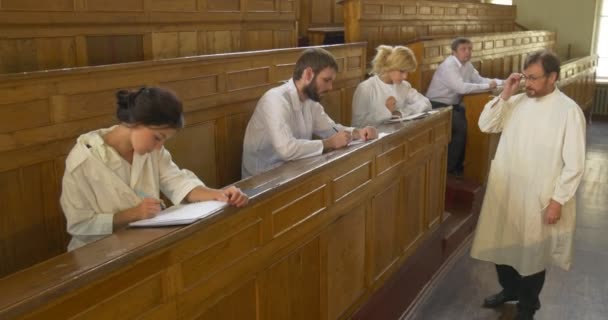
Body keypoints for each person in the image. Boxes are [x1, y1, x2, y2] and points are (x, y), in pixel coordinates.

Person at [470, 50, 586, 320]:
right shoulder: (517, 101)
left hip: (540, 196)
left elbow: (574, 164)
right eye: (525, 78)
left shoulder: (569, 111)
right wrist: (506, 93)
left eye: (533, 78)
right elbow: (486, 124)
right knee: (501, 246)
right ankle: (509, 290)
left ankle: (528, 305)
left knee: (533, 254)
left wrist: (557, 201)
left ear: (552, 77)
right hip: (507, 192)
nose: (528, 84)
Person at [60, 87, 248, 251]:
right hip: (97, 256)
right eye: (158, 137)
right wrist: (131, 214)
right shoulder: (83, 161)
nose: (159, 146)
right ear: (135, 123)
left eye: (164, 140)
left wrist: (219, 194)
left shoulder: (152, 151)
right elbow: (80, 225)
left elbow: (178, 182)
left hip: (143, 244)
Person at [241, 47, 378, 178]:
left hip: (292, 171)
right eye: (326, 80)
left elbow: (331, 129)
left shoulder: (310, 100)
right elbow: (286, 149)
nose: (330, 87)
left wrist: (359, 133)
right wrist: (328, 143)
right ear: (308, 74)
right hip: (262, 180)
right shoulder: (275, 99)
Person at [426, 37, 504, 175]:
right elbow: (461, 88)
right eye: (463, 49)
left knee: (474, 123)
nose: (467, 52)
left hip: (453, 105)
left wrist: (503, 82)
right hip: (437, 105)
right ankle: (450, 169)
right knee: (461, 129)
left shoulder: (467, 65)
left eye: (469, 49)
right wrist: (487, 86)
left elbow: (481, 80)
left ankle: (463, 165)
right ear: (454, 52)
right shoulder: (449, 65)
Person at [351, 45, 431, 127]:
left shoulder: (404, 86)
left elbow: (426, 103)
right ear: (389, 67)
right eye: (402, 71)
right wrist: (386, 111)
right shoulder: (366, 88)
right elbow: (358, 125)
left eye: (407, 72)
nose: (405, 77)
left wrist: (401, 113)